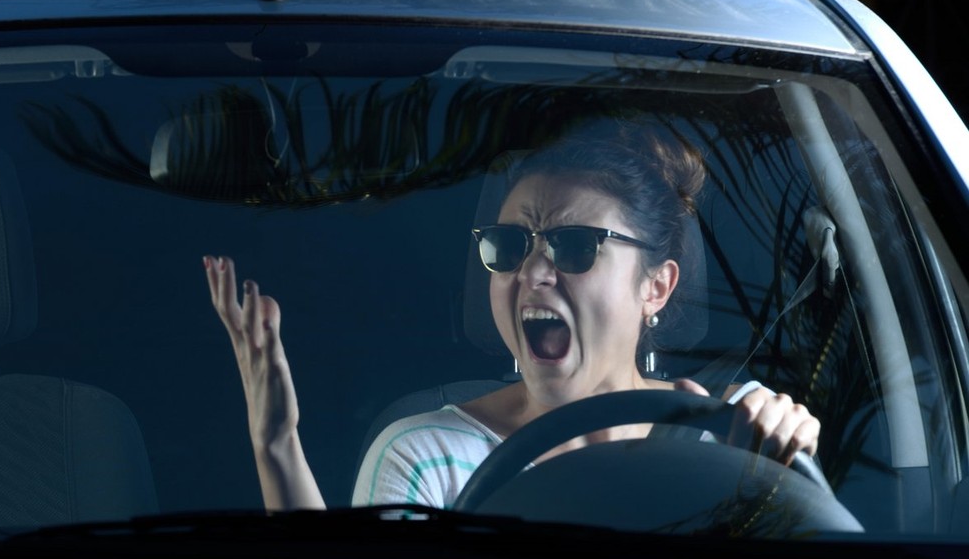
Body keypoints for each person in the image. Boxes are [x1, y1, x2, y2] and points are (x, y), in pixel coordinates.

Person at [204, 120, 820, 511]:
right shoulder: (428, 455)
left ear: (656, 287)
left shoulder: (736, 433)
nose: (531, 273)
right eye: (510, 245)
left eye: (575, 245)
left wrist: (781, 461)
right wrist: (277, 446)